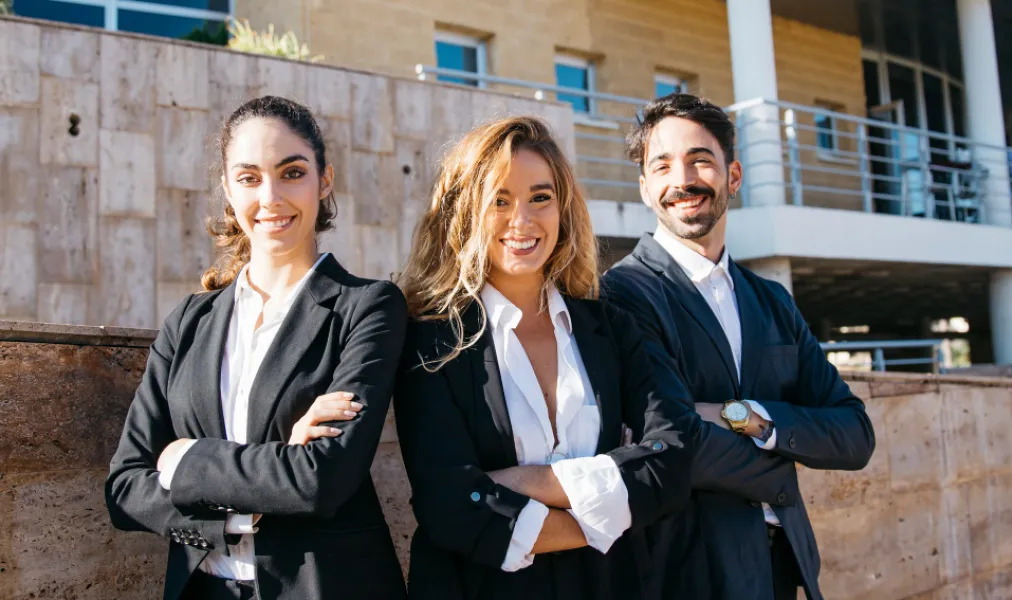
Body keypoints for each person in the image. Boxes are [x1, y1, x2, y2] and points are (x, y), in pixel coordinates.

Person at [105, 96, 407, 600]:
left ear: (324, 180)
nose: (271, 197)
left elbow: (321, 479)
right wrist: (244, 507)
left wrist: (185, 458)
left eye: (292, 173)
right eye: (249, 178)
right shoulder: (188, 321)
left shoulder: (369, 307)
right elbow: (125, 488)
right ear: (228, 189)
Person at [392, 116, 702, 600]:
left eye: (540, 197)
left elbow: (673, 459)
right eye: (499, 201)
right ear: (465, 212)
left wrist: (526, 481)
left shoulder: (612, 328)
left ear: (563, 208)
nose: (523, 221)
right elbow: (450, 505)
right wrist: (604, 516)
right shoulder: (431, 342)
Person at [603, 93, 877, 600]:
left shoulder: (772, 300)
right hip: (688, 574)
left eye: (700, 161)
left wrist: (747, 418)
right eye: (662, 166)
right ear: (644, 188)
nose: (682, 180)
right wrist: (785, 466)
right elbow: (672, 447)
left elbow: (856, 434)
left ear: (733, 176)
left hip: (782, 569)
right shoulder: (623, 294)